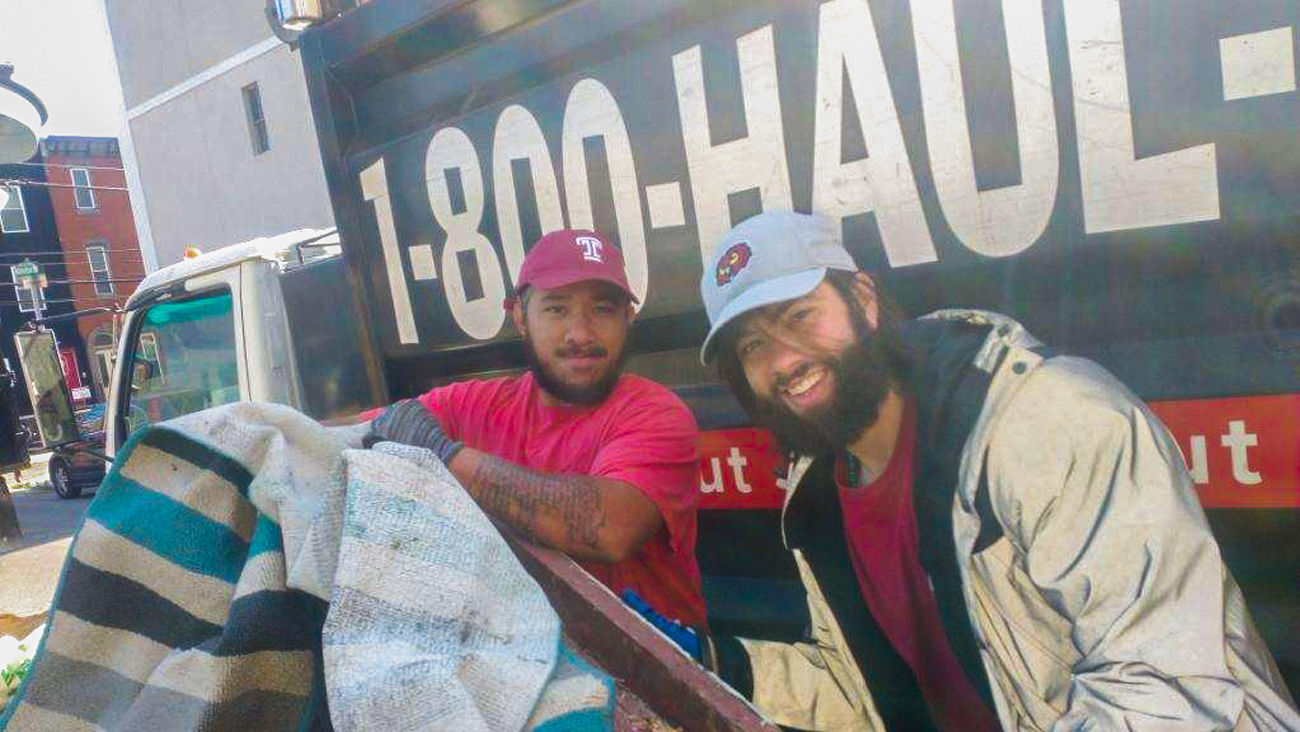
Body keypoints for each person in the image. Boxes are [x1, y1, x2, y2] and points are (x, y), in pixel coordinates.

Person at [690, 210, 1299, 730]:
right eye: (752, 346)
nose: (784, 361)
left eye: (799, 316)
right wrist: (713, 664)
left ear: (865, 301)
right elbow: (872, 696)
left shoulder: (1046, 417)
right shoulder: (819, 494)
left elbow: (1167, 689)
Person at [365, 229, 707, 629]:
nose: (580, 334)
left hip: (659, 668)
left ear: (628, 318)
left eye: (602, 309)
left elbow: (608, 528)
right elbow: (365, 429)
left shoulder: (655, 413)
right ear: (520, 317)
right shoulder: (477, 403)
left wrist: (444, 456)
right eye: (556, 309)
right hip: (516, 647)